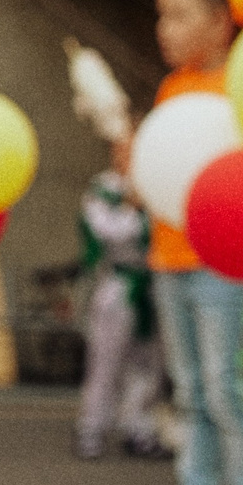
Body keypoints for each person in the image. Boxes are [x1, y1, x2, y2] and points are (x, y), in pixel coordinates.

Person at [147, 0, 243, 485]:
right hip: (169, 253)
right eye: (161, 17)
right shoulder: (173, 89)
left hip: (226, 260)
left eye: (178, 15)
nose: (164, 30)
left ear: (221, 22)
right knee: (192, 390)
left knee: (232, 389)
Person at [65, 40, 164, 460]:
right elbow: (105, 233)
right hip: (118, 285)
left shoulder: (159, 186)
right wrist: (130, 204)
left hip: (153, 283)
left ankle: (138, 425)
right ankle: (92, 426)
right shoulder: (104, 191)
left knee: (149, 363)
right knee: (105, 361)